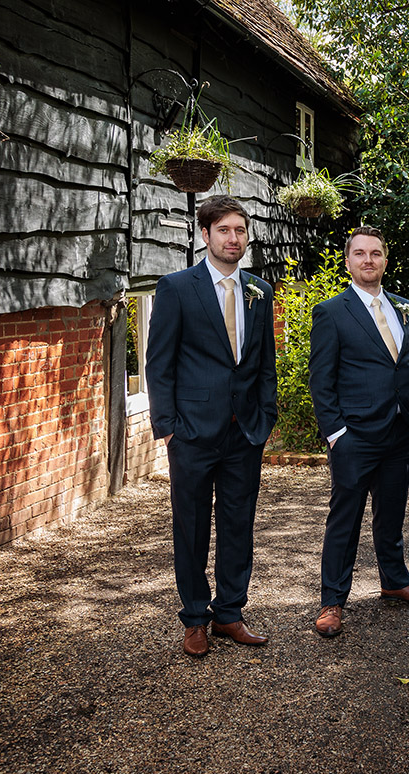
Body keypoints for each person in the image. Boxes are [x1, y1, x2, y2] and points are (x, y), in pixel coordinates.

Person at [145, 195, 277, 658]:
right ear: (205, 235)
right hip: (192, 433)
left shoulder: (260, 291)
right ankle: (196, 618)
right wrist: (167, 427)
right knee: (193, 526)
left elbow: (264, 364)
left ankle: (230, 613)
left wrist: (267, 416)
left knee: (239, 525)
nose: (233, 238)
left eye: (240, 230)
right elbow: (158, 362)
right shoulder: (177, 288)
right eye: (223, 230)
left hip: (245, 432)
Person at [307, 226, 409, 638]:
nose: (368, 260)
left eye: (376, 253)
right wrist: (336, 434)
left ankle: (395, 581)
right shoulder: (332, 312)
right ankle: (332, 600)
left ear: (385, 260)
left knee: (393, 513)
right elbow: (321, 380)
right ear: (348, 261)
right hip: (355, 436)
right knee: (344, 519)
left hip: (400, 431)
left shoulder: (406, 308)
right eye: (360, 254)